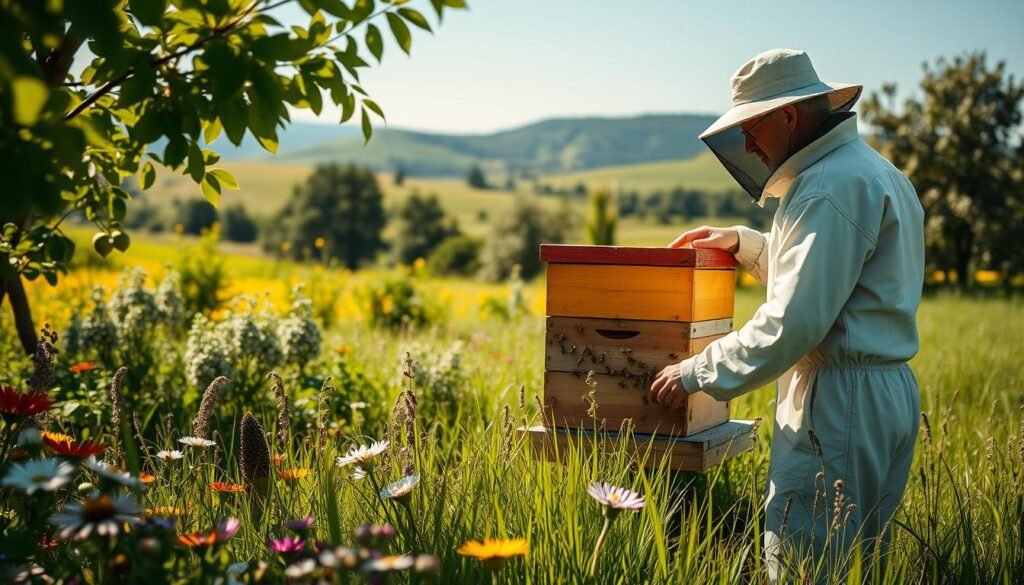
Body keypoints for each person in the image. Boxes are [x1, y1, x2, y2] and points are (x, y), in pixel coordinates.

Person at [648, 49, 925, 580]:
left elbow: (792, 321)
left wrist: (695, 372)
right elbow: (838, 275)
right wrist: (746, 243)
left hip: (839, 403)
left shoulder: (825, 186)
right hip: (884, 395)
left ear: (789, 116)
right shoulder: (875, 173)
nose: (747, 145)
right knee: (861, 565)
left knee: (807, 564)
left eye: (751, 128)